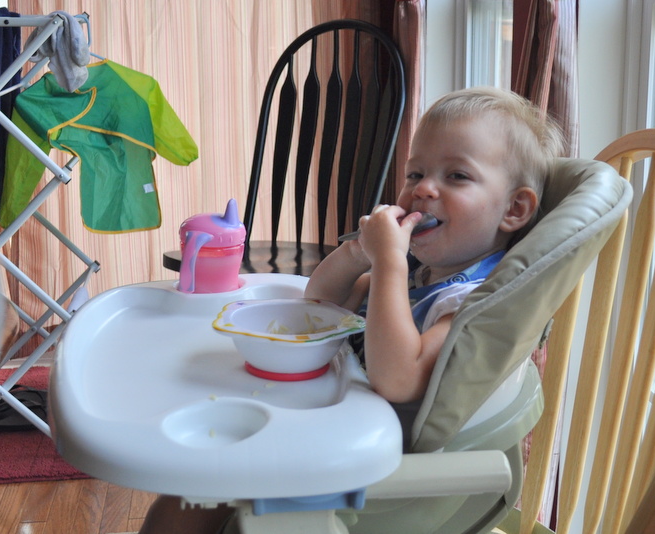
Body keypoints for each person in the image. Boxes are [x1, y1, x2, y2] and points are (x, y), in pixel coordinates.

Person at [137, 86, 564, 534]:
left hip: (369, 475)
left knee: (189, 505)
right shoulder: (422, 272)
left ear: (514, 209)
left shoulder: (470, 301)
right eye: (415, 173)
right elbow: (322, 301)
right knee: (184, 496)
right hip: (335, 424)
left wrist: (390, 261)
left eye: (457, 176)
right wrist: (360, 253)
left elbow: (399, 379)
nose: (423, 189)